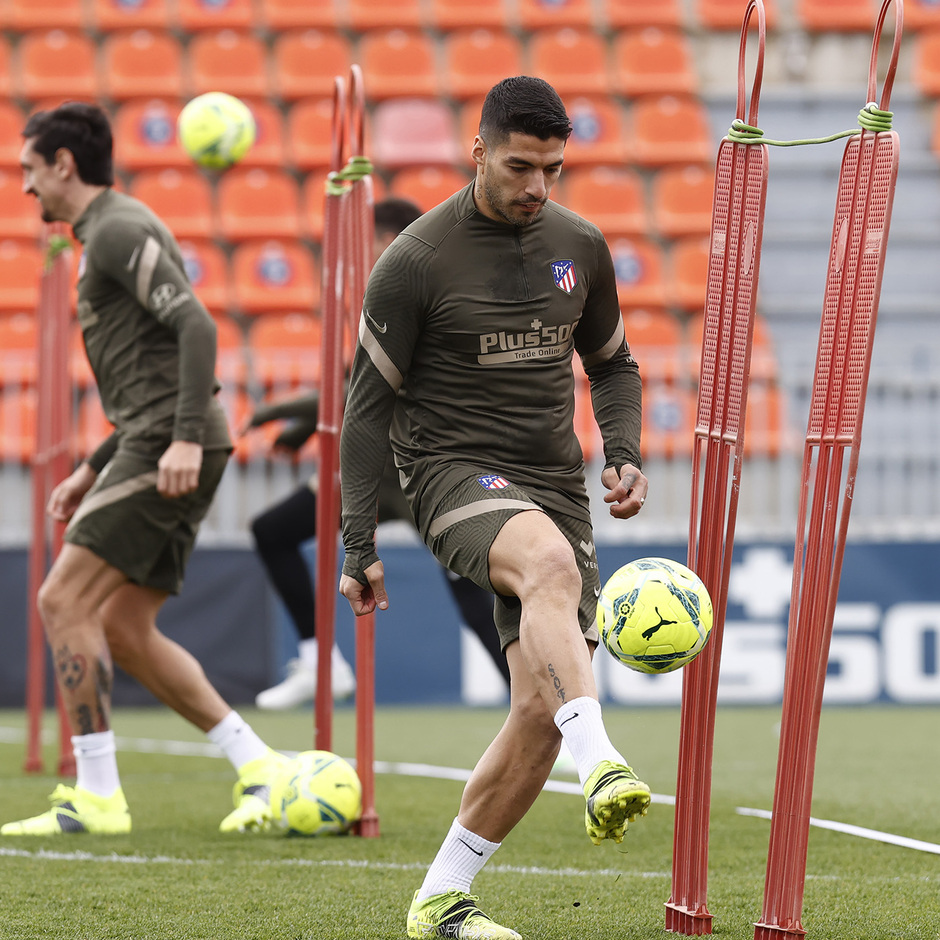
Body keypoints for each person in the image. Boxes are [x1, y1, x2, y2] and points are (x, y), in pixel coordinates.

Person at [339, 77, 651, 940]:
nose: (537, 186)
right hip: (447, 472)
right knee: (546, 569)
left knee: (539, 711)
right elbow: (366, 411)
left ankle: (440, 898)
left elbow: (614, 366)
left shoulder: (580, 245)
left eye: (552, 168)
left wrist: (622, 451)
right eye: (520, 167)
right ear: (478, 152)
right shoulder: (414, 260)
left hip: (553, 481)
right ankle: (603, 759)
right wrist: (356, 540)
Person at [2, 102, 284, 837]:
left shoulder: (119, 227)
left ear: (64, 165)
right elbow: (148, 367)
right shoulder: (102, 233)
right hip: (153, 436)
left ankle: (96, 796)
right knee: (124, 627)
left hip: (168, 441)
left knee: (62, 600)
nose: (24, 187)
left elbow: (195, 323)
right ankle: (261, 767)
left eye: (29, 170)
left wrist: (184, 438)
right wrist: (95, 465)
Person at [247, 197, 511, 710]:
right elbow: (361, 382)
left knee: (476, 590)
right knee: (272, 531)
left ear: (393, 241)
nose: (364, 254)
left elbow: (363, 383)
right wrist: (304, 427)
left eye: (370, 242)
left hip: (418, 472)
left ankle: (535, 708)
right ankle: (318, 660)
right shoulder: (396, 292)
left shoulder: (425, 292)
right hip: (383, 473)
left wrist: (278, 411)